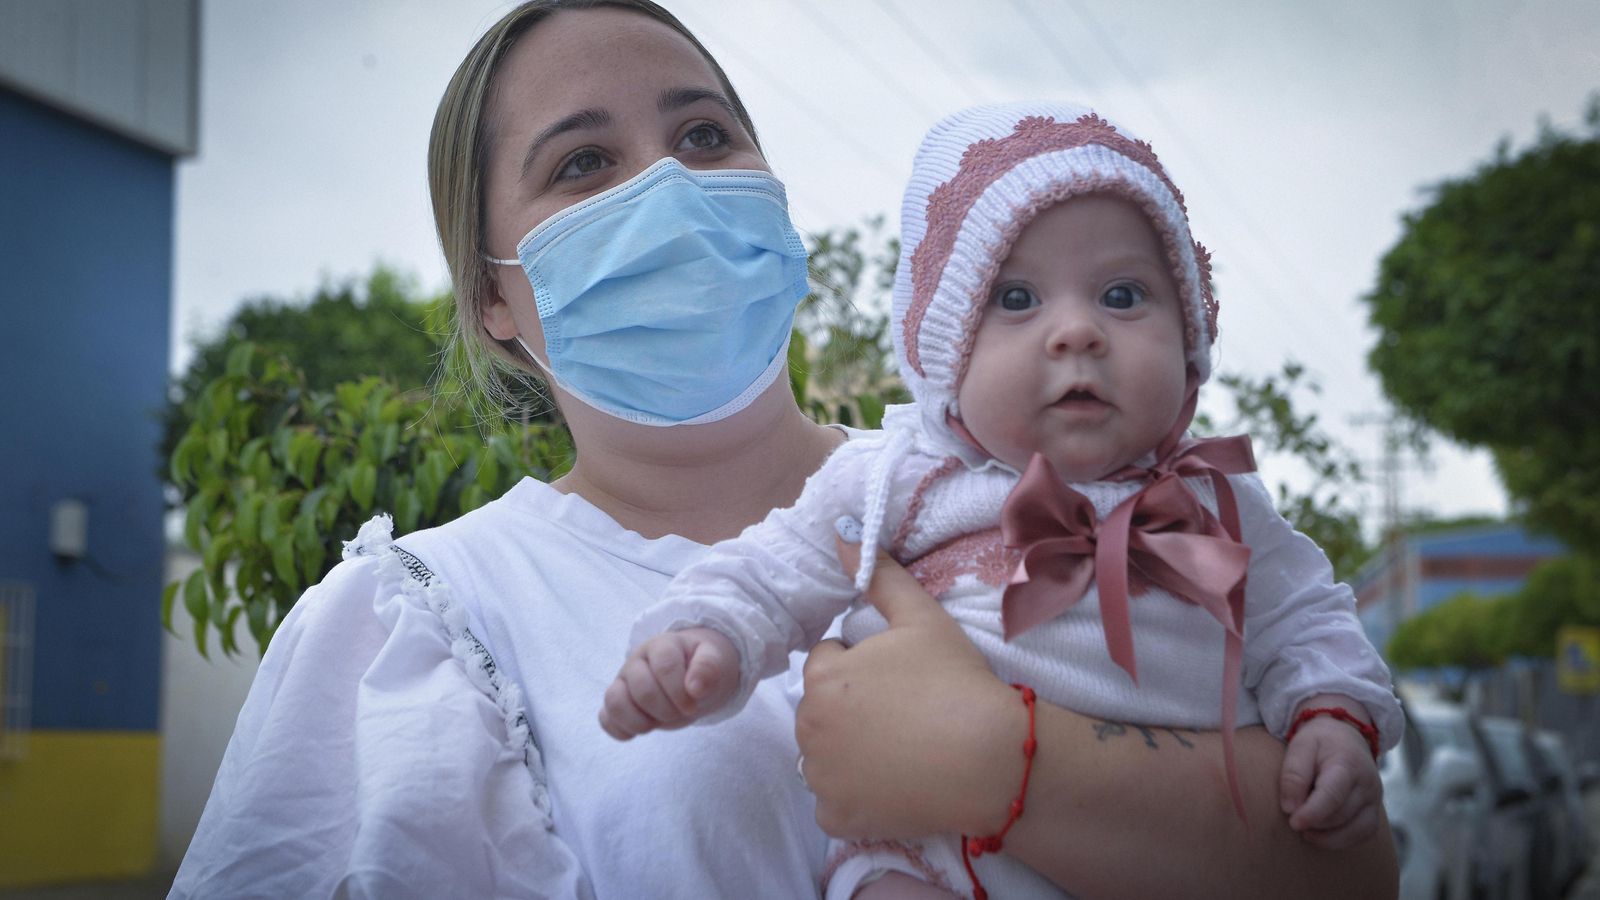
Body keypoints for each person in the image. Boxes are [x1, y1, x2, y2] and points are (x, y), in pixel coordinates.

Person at [172, 3, 1400, 898]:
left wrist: (1003, 762)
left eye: (706, 136)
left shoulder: (1043, 495)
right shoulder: (419, 624)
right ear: (492, 296)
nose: (671, 189)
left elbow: (1353, 872)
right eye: (583, 163)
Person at [607, 102, 1403, 899]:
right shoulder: (899, 476)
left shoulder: (1219, 500)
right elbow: (774, 566)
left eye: (1123, 296)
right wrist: (707, 636)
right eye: (1017, 300)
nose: (1077, 333)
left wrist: (1332, 714)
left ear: (1191, 343)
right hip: (935, 859)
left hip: (1166, 852)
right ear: (944, 356)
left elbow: (1306, 616)